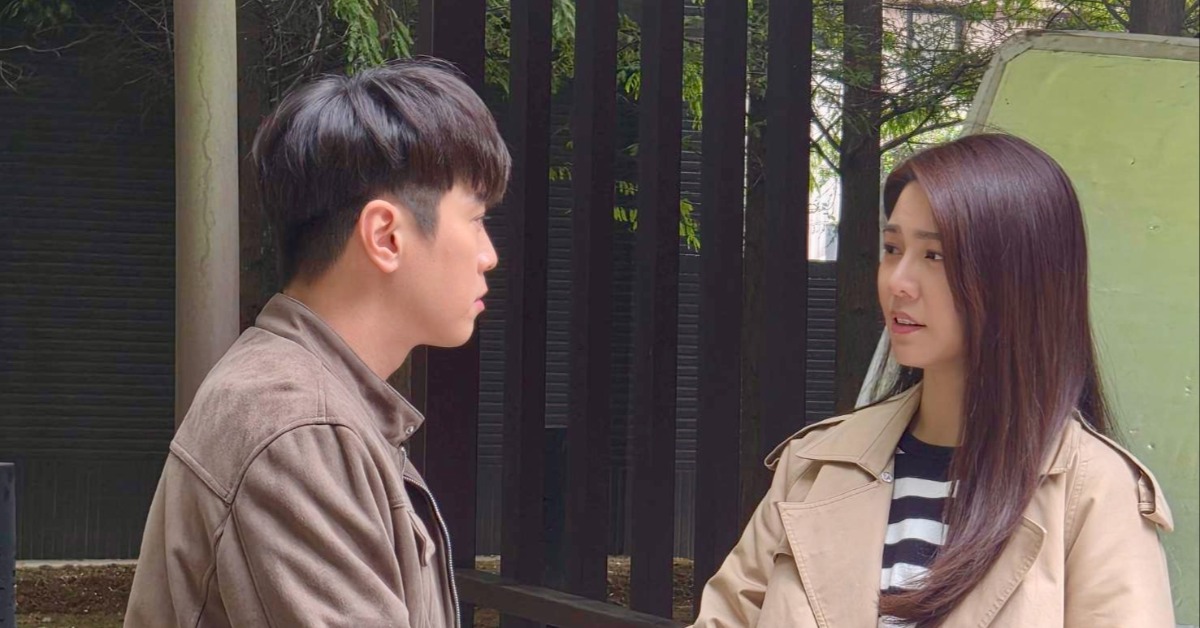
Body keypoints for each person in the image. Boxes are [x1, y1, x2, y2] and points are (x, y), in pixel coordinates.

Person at [691, 133, 1174, 628]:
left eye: (934, 256)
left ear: (1018, 278)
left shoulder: (1094, 493)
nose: (897, 281)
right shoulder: (815, 467)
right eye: (892, 248)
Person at [124, 60, 509, 627]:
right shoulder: (300, 428)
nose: (489, 255)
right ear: (386, 236)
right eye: (475, 219)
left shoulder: (311, 402)